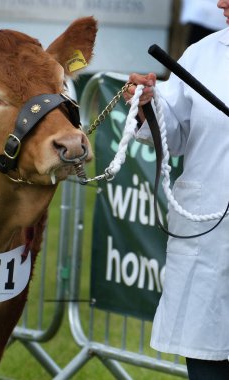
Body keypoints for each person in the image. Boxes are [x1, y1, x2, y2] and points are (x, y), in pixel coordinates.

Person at [124, 1, 229, 378]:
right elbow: (176, 132)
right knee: (208, 362)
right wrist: (148, 106)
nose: (220, 3)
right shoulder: (202, 54)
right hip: (209, 244)